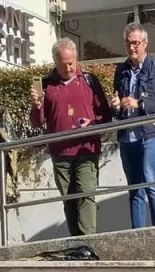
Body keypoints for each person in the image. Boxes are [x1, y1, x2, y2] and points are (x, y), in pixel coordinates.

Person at [30, 38, 113, 236]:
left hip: (87, 148)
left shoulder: (89, 81)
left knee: (86, 195)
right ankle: (76, 243)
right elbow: (37, 122)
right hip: (61, 152)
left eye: (71, 63)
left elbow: (106, 116)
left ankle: (88, 243)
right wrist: (37, 106)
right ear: (55, 62)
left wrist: (92, 125)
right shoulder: (45, 84)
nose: (69, 68)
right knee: (69, 199)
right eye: (63, 64)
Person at [109, 23, 155, 229]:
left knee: (149, 179)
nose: (132, 48)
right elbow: (118, 105)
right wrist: (116, 106)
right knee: (135, 188)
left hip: (151, 133)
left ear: (145, 43)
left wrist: (140, 103)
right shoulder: (121, 70)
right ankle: (137, 234)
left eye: (136, 43)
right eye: (128, 44)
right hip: (127, 135)